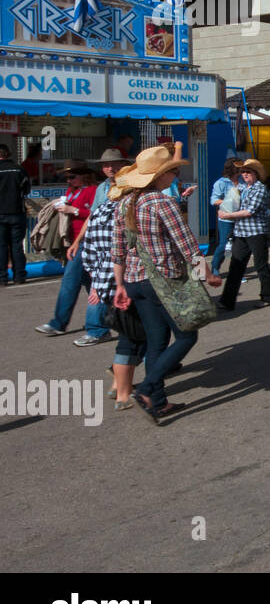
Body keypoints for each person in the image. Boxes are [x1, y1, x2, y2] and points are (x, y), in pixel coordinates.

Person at [111, 145, 223, 422]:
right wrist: (206, 275)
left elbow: (118, 249)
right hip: (163, 280)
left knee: (157, 340)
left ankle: (158, 401)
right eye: (172, 171)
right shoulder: (161, 203)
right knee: (187, 335)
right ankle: (148, 388)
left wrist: (120, 285)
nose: (175, 175)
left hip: (135, 280)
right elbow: (187, 246)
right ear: (159, 176)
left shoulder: (124, 203)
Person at [81, 179, 147, 410]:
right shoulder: (129, 212)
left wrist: (97, 282)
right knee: (141, 336)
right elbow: (131, 249)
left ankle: (119, 386)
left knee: (129, 335)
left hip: (106, 283)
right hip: (129, 281)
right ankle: (123, 386)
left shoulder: (99, 211)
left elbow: (87, 253)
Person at [34, 162, 108, 344]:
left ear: (84, 175)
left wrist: (72, 210)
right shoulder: (72, 191)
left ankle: (60, 323)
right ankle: (106, 321)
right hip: (73, 242)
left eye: (72, 176)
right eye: (66, 177)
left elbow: (93, 214)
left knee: (70, 282)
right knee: (92, 284)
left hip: (84, 242)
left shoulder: (92, 190)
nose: (69, 180)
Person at [216, 159, 270, 311]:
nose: (245, 174)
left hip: (256, 232)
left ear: (256, 174)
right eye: (243, 172)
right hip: (241, 232)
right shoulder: (242, 187)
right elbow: (230, 202)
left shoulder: (260, 189)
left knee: (260, 265)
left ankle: (268, 297)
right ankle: (227, 301)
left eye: (248, 172)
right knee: (235, 266)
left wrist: (227, 216)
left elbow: (250, 211)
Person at [0, 143, 30, 286]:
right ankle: (19, 276)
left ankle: (2, 278)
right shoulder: (19, 170)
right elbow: (26, 189)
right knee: (17, 245)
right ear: (8, 154)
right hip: (17, 212)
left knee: (1, 246)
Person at [209, 158, 240, 276]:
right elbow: (213, 200)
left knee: (239, 247)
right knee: (224, 244)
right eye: (239, 168)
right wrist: (229, 201)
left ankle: (236, 272)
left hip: (241, 218)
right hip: (226, 218)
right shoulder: (221, 182)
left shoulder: (243, 181)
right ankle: (215, 266)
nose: (242, 171)